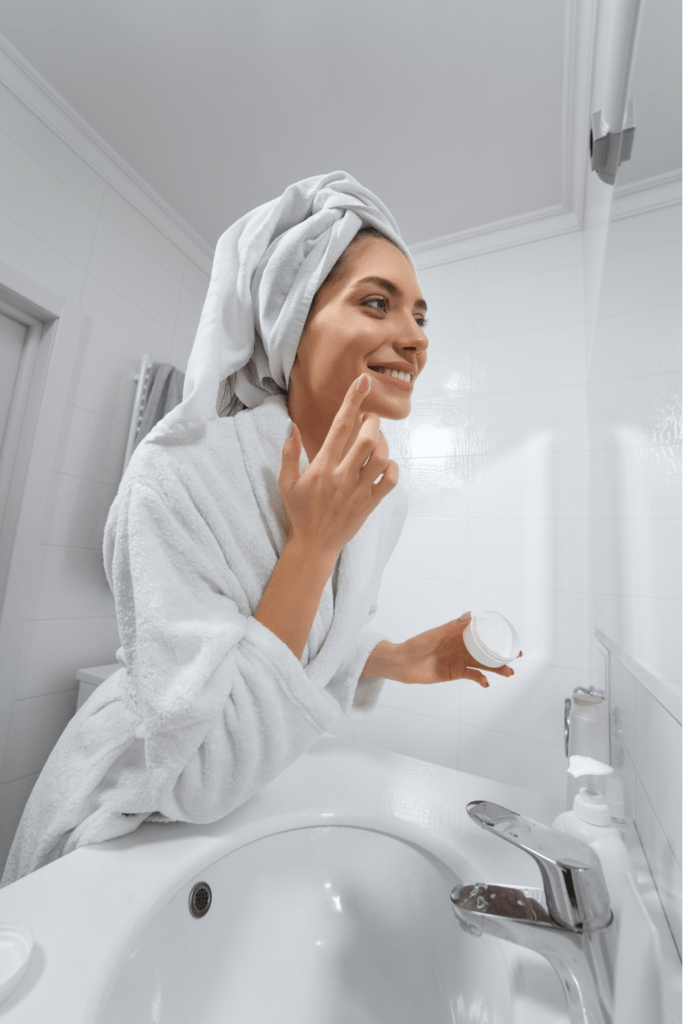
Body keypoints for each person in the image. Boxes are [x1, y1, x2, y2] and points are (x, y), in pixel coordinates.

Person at [1, 172, 517, 888]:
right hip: (125, 815)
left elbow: (311, 645)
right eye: (377, 303)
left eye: (421, 318)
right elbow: (200, 767)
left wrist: (395, 657)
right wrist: (311, 545)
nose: (414, 339)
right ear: (292, 322)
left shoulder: (376, 494)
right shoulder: (177, 474)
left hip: (239, 802)